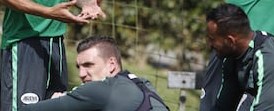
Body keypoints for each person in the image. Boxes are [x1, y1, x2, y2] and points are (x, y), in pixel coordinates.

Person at [20, 35, 170, 111]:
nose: (81, 74)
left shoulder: (101, 89)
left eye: (88, 65)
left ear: (111, 64)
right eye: (79, 67)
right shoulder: (142, 83)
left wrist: (58, 100)